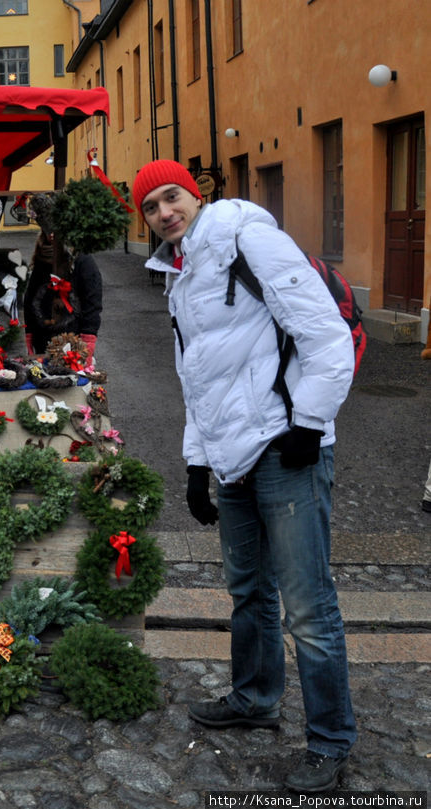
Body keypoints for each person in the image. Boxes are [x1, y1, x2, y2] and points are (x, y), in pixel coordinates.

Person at [132, 159, 357, 793]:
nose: (164, 213)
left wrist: (310, 424)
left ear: (195, 193)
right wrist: (196, 466)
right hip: (230, 455)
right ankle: (255, 699)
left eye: (171, 197)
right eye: (150, 207)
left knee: (309, 606)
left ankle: (332, 740)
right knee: (248, 591)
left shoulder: (247, 238)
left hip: (285, 449)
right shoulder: (178, 273)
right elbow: (197, 379)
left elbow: (326, 335)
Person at [22, 195, 102, 361]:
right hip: (42, 344)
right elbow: (30, 299)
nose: (53, 238)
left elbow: (92, 302)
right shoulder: (42, 260)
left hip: (73, 346)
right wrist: (29, 336)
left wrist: (88, 340)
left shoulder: (82, 260)